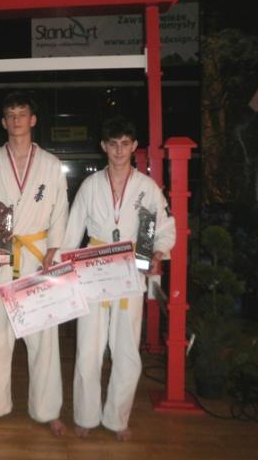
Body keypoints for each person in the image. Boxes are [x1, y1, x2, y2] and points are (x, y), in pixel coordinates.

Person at [60, 116, 175, 441]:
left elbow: (162, 228)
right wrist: (63, 267)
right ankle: (85, 415)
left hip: (130, 268)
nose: (119, 150)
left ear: (134, 146)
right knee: (88, 347)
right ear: (104, 147)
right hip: (94, 268)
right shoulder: (90, 185)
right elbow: (72, 230)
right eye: (113, 144)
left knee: (126, 348)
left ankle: (117, 418)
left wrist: (157, 253)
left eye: (125, 144)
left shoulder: (147, 188)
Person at [0, 91, 69, 436]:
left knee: (43, 338)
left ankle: (47, 409)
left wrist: (55, 248)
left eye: (22, 114)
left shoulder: (51, 164)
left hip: (37, 256)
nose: (16, 120)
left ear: (33, 120)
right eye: (10, 115)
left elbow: (60, 210)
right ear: (3, 122)